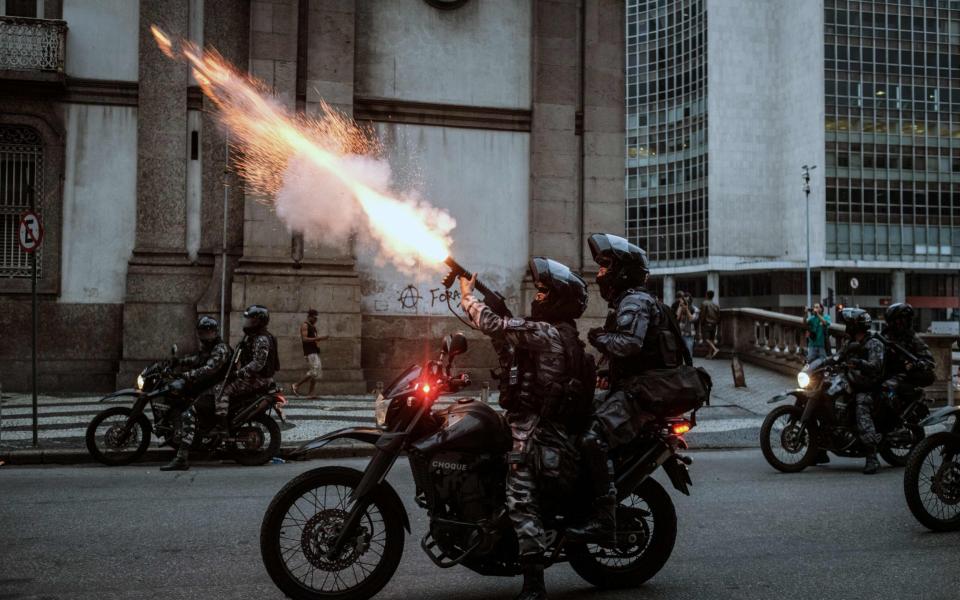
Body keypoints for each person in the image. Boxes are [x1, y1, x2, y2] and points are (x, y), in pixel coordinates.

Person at [459, 257, 591, 600]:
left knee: (520, 499)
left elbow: (493, 323)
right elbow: (508, 351)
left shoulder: (547, 333)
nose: (539, 296)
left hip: (537, 431)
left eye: (545, 291)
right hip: (530, 421)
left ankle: (534, 585)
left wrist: (468, 296)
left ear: (560, 299)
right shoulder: (549, 333)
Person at [566, 233, 687, 543]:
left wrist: (597, 338)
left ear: (622, 271)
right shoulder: (629, 300)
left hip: (643, 395)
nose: (601, 273)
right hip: (635, 388)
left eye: (606, 266)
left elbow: (630, 345)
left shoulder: (634, 300)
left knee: (593, 438)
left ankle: (605, 517)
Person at [160, 316, 232, 471]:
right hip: (207, 387)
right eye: (201, 333)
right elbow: (198, 359)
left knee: (188, 414)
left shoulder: (220, 348)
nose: (204, 336)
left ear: (214, 332)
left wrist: (188, 375)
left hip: (216, 389)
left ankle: (182, 458)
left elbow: (209, 368)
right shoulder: (208, 348)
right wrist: (178, 362)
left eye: (207, 333)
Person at [210, 304, 279, 438]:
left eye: (251, 321)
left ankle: (222, 427)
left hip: (258, 379)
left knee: (221, 390)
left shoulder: (261, 339)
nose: (247, 324)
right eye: (247, 320)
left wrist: (239, 373)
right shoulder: (252, 336)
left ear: (260, 322)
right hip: (255, 376)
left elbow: (258, 363)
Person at [839, 308, 885, 475]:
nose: (845, 327)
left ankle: (872, 456)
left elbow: (876, 366)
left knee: (861, 406)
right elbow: (838, 356)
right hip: (852, 382)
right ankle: (819, 450)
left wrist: (859, 363)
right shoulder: (849, 342)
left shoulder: (874, 343)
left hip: (869, 386)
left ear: (854, 326)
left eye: (847, 324)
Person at [881, 303, 935, 406]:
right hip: (884, 372)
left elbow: (929, 361)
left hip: (903, 375)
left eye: (904, 320)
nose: (900, 324)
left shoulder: (913, 339)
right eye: (898, 321)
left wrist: (914, 364)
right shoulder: (883, 336)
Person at [292, 309, 328, 398]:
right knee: (314, 371)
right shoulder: (305, 325)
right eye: (315, 318)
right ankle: (296, 385)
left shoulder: (313, 327)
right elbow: (304, 339)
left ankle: (311, 393)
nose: (316, 320)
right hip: (309, 352)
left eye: (317, 319)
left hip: (314, 351)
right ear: (310, 317)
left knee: (316, 373)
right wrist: (319, 338)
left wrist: (318, 341)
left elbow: (314, 339)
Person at [676, 292, 699, 358]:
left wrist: (687, 309)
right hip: (680, 333)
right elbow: (676, 318)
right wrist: (680, 306)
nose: (686, 303)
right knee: (679, 354)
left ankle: (689, 368)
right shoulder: (681, 307)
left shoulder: (695, 309)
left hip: (689, 334)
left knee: (688, 353)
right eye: (685, 301)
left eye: (687, 301)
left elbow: (692, 319)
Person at [700, 290, 720, 359]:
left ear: (706, 295)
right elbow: (718, 315)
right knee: (711, 339)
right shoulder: (716, 304)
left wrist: (701, 322)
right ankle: (709, 355)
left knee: (706, 339)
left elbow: (702, 314)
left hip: (707, 323)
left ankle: (715, 349)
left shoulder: (704, 303)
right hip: (714, 324)